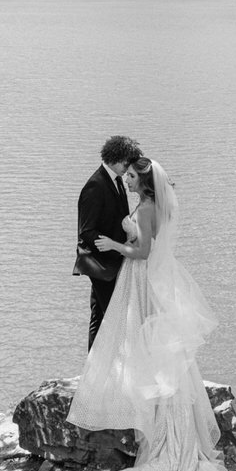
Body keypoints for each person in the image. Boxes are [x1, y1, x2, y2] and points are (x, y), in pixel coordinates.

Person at [68, 156, 229, 471]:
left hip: (140, 273)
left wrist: (114, 245)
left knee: (140, 338)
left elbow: (141, 251)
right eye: (124, 175)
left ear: (142, 182)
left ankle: (165, 440)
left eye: (130, 177)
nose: (125, 180)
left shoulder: (144, 209)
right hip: (153, 276)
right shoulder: (153, 205)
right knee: (158, 349)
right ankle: (169, 425)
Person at [77, 135, 143, 349]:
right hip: (101, 264)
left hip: (112, 261)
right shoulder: (95, 186)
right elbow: (86, 230)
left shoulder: (114, 181)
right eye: (126, 163)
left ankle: (94, 368)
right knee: (114, 316)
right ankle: (108, 368)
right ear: (117, 158)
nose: (127, 168)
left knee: (99, 315)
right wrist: (114, 247)